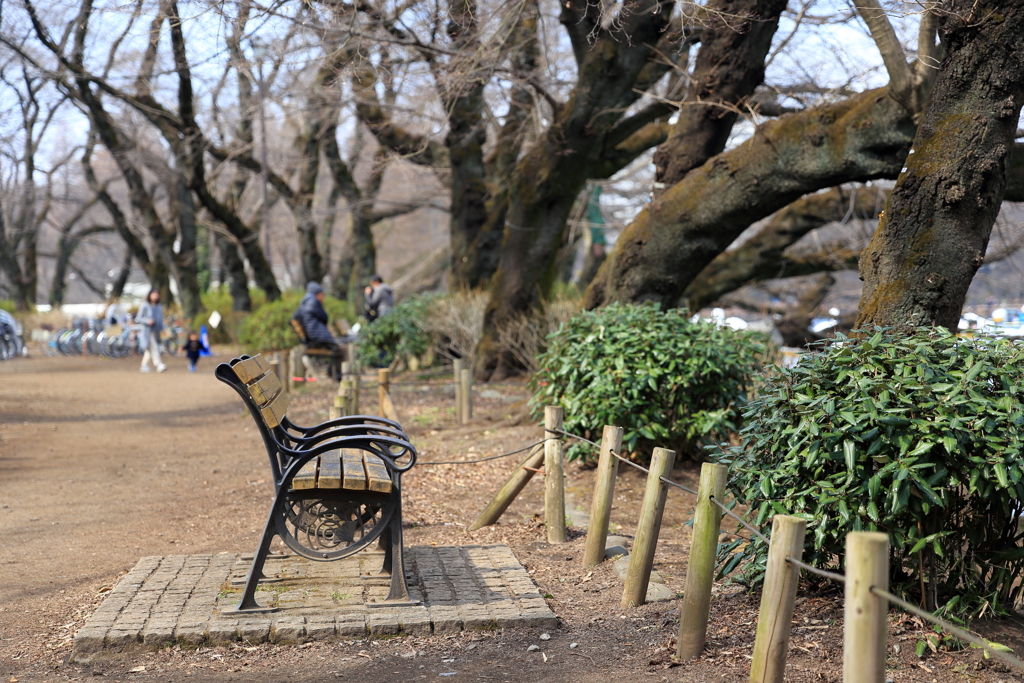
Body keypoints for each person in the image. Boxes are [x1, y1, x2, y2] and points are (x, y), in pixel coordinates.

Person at [293, 282, 344, 380]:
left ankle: (333, 372)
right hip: (319, 337)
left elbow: (294, 318)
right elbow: (325, 318)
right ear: (318, 294)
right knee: (339, 348)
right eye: (322, 294)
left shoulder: (303, 303)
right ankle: (336, 374)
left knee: (337, 346)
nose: (323, 297)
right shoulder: (314, 302)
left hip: (312, 337)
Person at [136, 289, 166, 373]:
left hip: (156, 330)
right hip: (147, 331)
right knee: (154, 347)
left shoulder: (159, 306)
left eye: (157, 294)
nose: (155, 296)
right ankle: (159, 364)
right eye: (154, 294)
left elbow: (161, 318)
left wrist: (163, 328)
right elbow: (138, 318)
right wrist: (147, 321)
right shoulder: (145, 305)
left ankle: (144, 365)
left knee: (150, 349)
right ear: (150, 295)